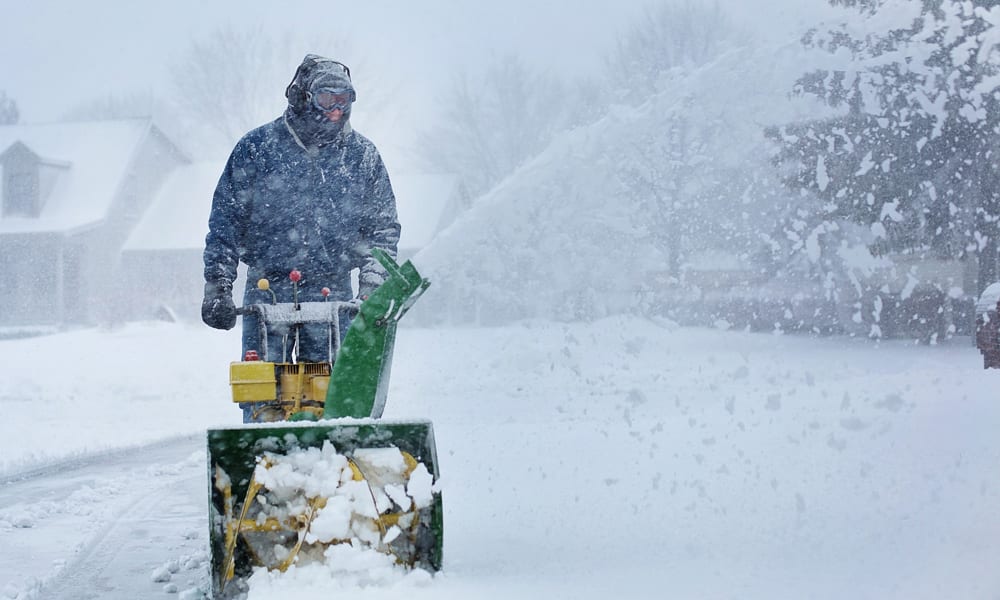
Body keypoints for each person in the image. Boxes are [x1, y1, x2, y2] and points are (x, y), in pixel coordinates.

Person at [201, 54, 401, 417]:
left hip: (333, 292)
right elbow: (225, 223)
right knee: (262, 393)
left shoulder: (361, 157)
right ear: (302, 97)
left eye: (345, 100)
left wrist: (372, 289)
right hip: (266, 289)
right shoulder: (257, 149)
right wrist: (218, 285)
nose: (337, 110)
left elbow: (383, 231)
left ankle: (327, 461)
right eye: (328, 99)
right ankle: (265, 449)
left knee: (331, 396)